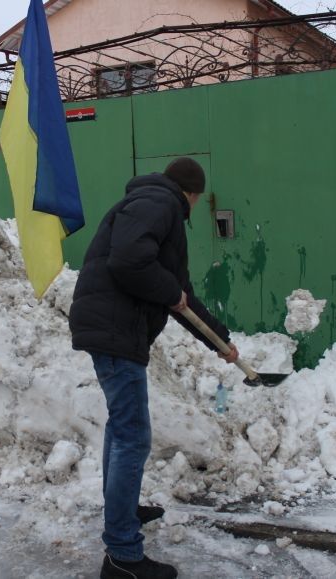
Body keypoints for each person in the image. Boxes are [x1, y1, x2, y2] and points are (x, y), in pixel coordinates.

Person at [69, 157, 239, 579]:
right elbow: (129, 262)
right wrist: (169, 292)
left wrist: (220, 340)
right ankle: (122, 556)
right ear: (193, 193)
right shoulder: (159, 204)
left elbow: (179, 295)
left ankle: (122, 512)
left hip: (112, 327)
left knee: (122, 430)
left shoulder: (151, 205)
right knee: (133, 436)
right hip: (115, 329)